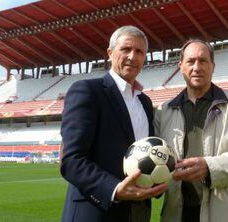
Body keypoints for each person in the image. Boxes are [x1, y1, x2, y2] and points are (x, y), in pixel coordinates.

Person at [60, 25, 167, 222]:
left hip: (138, 212)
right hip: (96, 212)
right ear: (110, 53)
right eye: (126, 49)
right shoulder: (88, 91)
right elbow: (71, 161)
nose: (132, 57)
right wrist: (115, 189)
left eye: (139, 51)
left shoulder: (145, 102)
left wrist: (155, 182)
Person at [154, 39, 228, 222]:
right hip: (177, 214)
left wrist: (209, 167)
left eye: (203, 60)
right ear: (180, 66)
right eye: (190, 61)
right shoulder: (163, 111)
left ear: (212, 66)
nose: (196, 67)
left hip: (226, 214)